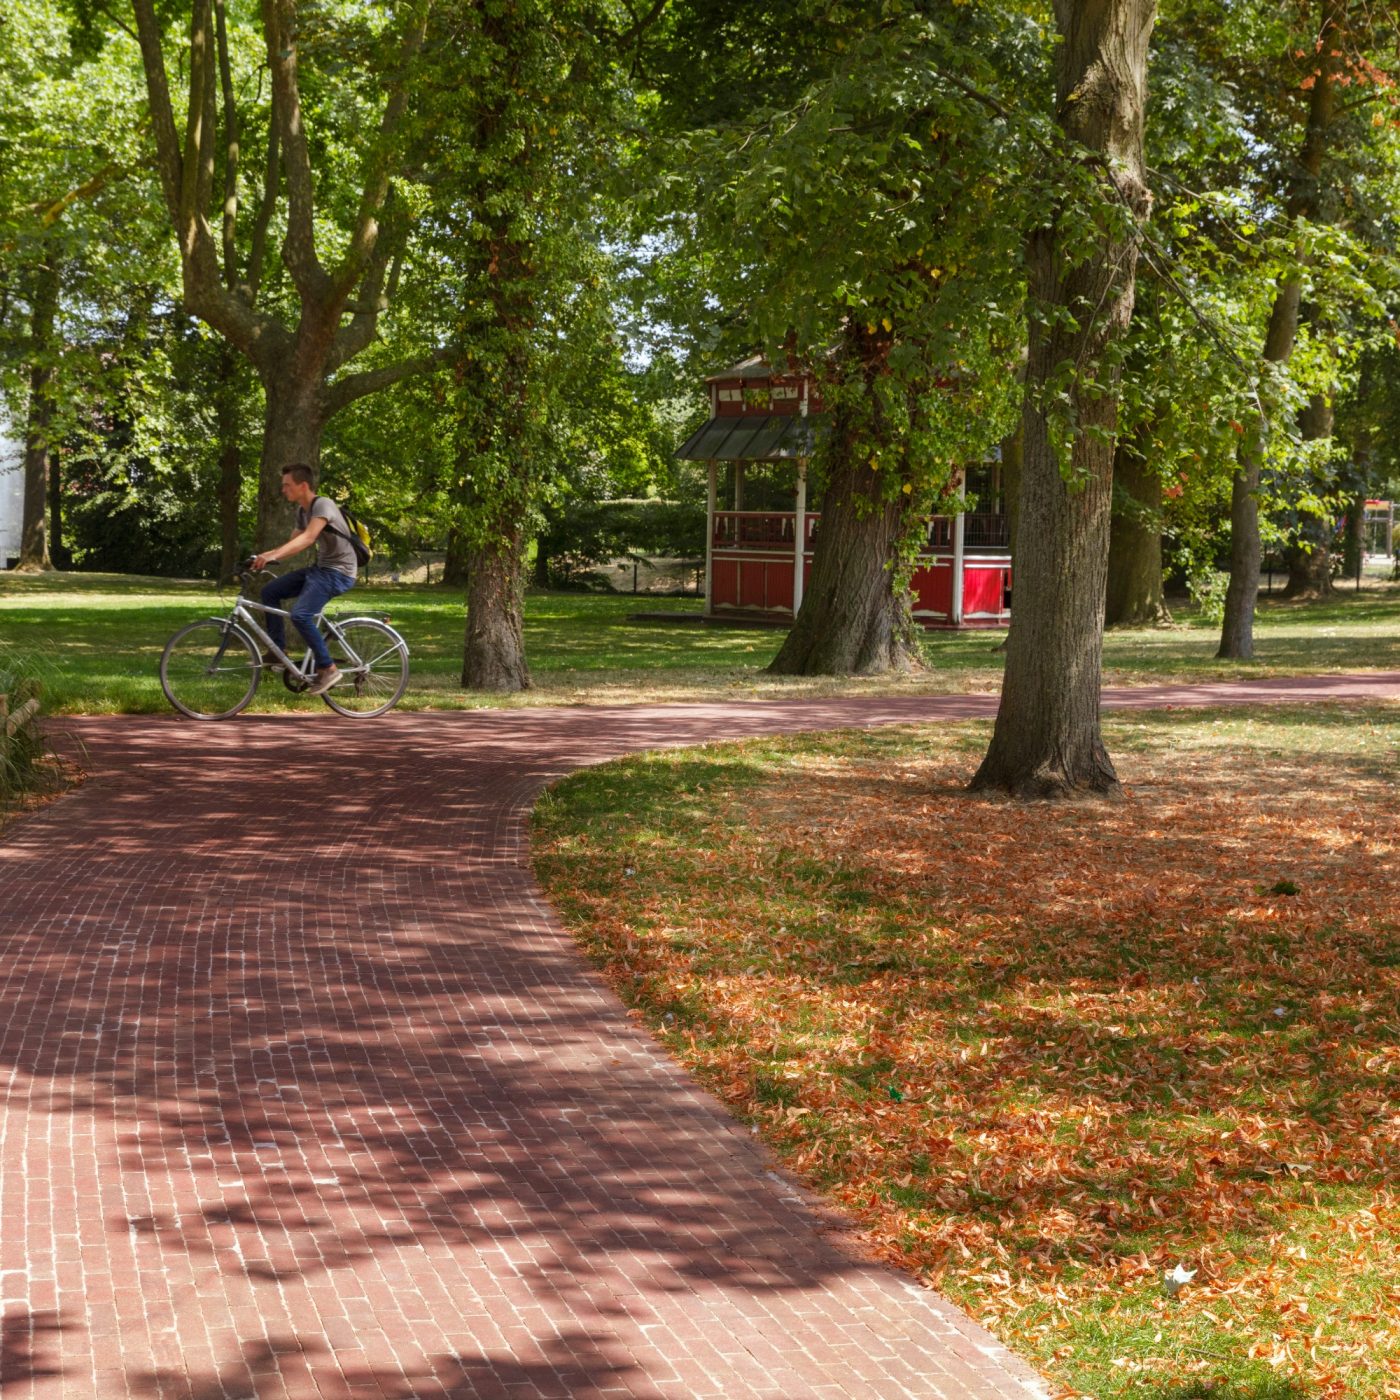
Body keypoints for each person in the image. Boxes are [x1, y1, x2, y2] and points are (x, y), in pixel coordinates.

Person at [251, 464, 359, 696]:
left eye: (287, 485)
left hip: (339, 572)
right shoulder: (302, 511)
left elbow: (308, 539)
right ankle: (277, 651)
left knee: (300, 614)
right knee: (270, 592)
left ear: (303, 485)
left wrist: (272, 556)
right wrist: (265, 556)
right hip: (320, 570)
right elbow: (293, 542)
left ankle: (328, 668)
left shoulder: (323, 505)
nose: (283, 490)